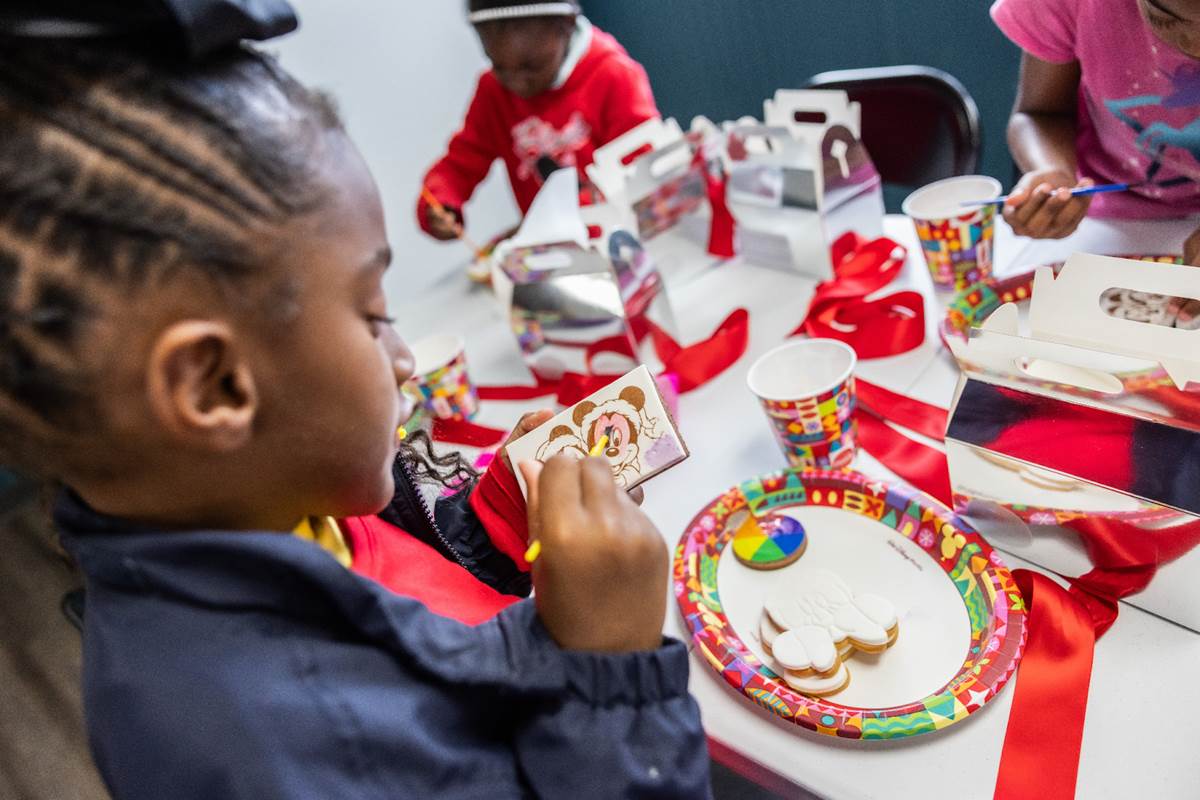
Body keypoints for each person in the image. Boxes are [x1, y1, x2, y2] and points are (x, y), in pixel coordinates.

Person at [0, 16, 710, 800]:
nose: (403, 357)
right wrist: (613, 673)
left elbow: (420, 589)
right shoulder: (289, 754)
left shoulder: (277, 495)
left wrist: (500, 519)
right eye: (374, 314)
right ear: (215, 388)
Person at [418, 0, 659, 243]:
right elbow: (462, 162)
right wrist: (440, 201)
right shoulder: (493, 91)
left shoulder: (613, 76)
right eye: (499, 66)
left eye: (532, 67)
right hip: (554, 249)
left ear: (567, 25)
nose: (517, 83)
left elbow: (640, 177)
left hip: (626, 241)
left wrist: (546, 226)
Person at [992, 0, 1200, 261]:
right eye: (1168, 19)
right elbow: (1039, 113)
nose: (1195, 47)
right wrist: (1054, 170)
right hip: (1107, 219)